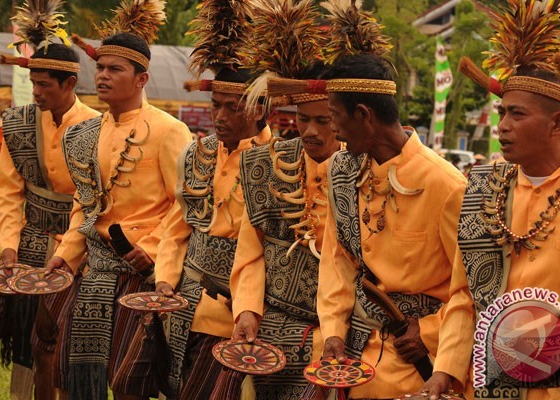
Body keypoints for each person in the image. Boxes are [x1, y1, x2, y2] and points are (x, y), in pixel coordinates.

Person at [109, 0, 268, 398]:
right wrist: (164, 281)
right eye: (216, 106)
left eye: (234, 108)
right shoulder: (198, 153)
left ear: (261, 109)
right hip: (180, 298)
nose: (221, 116)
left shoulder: (277, 162)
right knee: (127, 383)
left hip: (232, 309)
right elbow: (177, 228)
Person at [45, 17, 191, 399]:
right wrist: (66, 255)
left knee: (129, 383)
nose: (103, 76)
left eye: (115, 69)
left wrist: (154, 250)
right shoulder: (85, 132)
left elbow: (183, 205)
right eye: (100, 67)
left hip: (139, 273)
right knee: (76, 380)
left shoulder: (169, 130)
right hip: (93, 274)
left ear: (141, 79)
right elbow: (85, 203)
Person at [315, 53, 473, 399]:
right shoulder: (342, 170)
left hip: (415, 369)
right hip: (352, 360)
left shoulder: (446, 185)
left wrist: (429, 333)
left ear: (363, 115)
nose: (333, 130)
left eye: (335, 117)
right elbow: (337, 259)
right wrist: (333, 332)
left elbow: (471, 288)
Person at [455, 2, 560, 399]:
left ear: (557, 123)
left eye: (516, 114)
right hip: (484, 384)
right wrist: (446, 367)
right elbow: (463, 294)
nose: (503, 126)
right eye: (501, 112)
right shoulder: (480, 189)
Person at [229, 1, 341, 397]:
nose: (309, 130)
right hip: (267, 328)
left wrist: (336, 332)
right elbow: (250, 249)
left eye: (323, 120)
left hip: (334, 336)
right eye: (302, 118)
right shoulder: (263, 164)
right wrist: (246, 309)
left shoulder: (360, 174)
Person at [0, 19, 100, 399]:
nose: (35, 92)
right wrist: (7, 245)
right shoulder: (18, 123)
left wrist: (70, 252)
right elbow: (6, 191)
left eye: (45, 85)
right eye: (33, 83)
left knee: (54, 341)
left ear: (69, 84)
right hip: (26, 241)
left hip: (80, 249)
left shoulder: (97, 128)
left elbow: (95, 204)